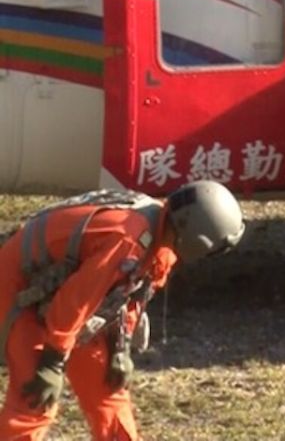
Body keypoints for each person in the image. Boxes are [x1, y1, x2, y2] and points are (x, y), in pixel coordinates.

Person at [0, 182, 245, 440]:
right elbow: (76, 299)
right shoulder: (127, 240)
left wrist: (119, 346)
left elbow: (131, 297)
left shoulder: (160, 240)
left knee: (109, 386)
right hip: (19, 287)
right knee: (35, 395)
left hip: (60, 298)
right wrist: (52, 359)